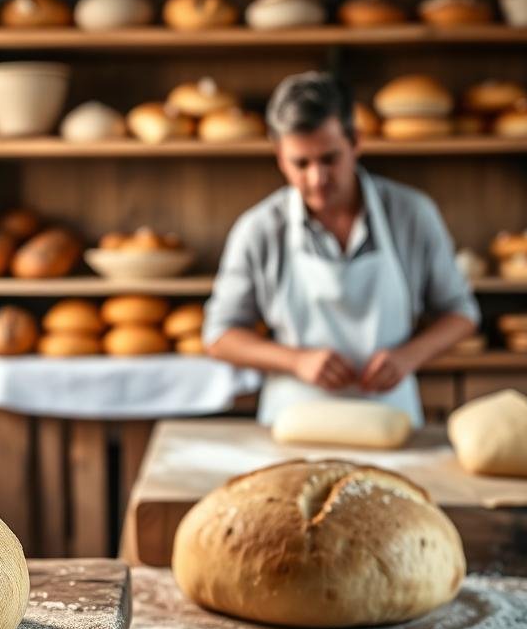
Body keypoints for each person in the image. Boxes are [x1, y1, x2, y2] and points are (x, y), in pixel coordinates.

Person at [203, 71, 480, 426]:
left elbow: (461, 314)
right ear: (279, 156)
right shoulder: (259, 229)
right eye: (300, 164)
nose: (317, 178)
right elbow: (220, 336)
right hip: (295, 419)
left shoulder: (412, 214)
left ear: (356, 142)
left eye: (329, 159)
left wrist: (408, 356)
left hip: (390, 417)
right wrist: (297, 361)